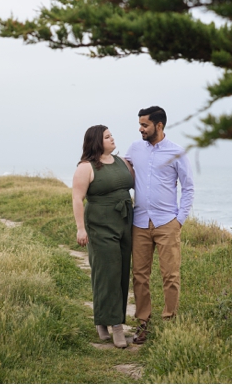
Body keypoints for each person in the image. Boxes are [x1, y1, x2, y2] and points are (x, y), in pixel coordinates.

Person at [124, 106, 195, 345]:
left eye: (145, 125)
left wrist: (179, 220)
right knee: (140, 275)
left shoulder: (177, 152)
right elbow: (122, 172)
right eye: (140, 124)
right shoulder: (134, 149)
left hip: (167, 223)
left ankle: (169, 322)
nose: (141, 129)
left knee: (170, 275)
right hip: (140, 222)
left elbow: (188, 188)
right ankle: (143, 323)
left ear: (159, 125)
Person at [72, 124, 134, 349]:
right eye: (108, 137)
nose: (112, 139)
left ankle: (103, 320)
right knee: (107, 271)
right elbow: (77, 199)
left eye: (112, 135)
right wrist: (81, 228)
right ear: (97, 141)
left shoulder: (122, 162)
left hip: (125, 223)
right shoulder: (86, 167)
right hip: (100, 224)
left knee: (122, 272)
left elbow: (136, 184)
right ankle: (115, 325)